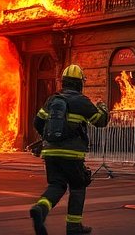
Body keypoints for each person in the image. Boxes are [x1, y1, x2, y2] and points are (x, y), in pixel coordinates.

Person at [29, 65, 110, 235]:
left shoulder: (52, 100)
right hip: (72, 154)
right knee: (78, 186)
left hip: (50, 153)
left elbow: (37, 122)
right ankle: (73, 226)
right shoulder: (82, 101)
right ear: (80, 83)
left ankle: (40, 208)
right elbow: (100, 121)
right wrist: (103, 107)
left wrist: (49, 137)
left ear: (64, 82)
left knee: (57, 185)